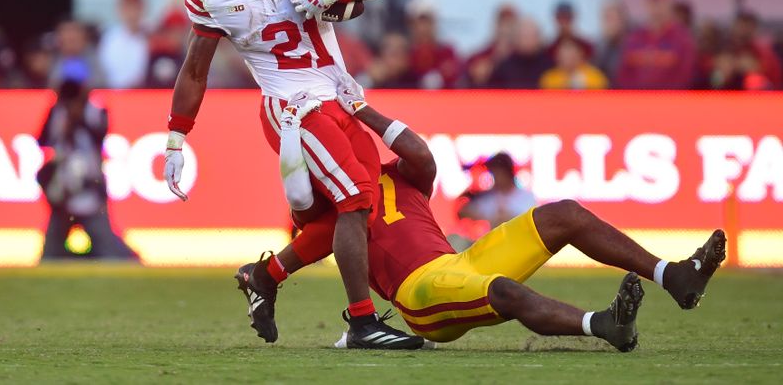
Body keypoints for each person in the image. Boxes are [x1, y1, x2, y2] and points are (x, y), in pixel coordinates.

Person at [266, 76, 726, 350]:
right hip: (422, 294)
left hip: (458, 262)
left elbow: (423, 155)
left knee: (563, 212)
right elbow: (302, 213)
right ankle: (603, 325)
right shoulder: (335, 205)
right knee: (503, 290)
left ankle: (674, 276)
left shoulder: (399, 174)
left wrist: (362, 109)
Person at [163, 0, 420, 349]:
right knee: (356, 198)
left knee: (362, 211)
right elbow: (195, 69)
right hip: (293, 109)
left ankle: (265, 275)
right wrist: (177, 137)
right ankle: (362, 325)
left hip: (341, 99)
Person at [36, 61, 137, 260]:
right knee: (50, 251)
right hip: (64, 188)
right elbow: (42, 140)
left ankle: (127, 259)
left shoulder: (96, 109)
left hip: (89, 184)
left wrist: (78, 117)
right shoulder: (56, 111)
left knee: (105, 243)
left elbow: (99, 136)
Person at [616, 0, 696, 89]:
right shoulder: (634, 38)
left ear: (669, 4)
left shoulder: (682, 39)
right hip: (637, 102)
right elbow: (623, 75)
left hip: (670, 102)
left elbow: (685, 77)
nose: (655, 7)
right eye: (652, 1)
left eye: (660, 1)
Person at [458, 152, 536, 230]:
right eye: (493, 173)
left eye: (498, 173)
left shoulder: (527, 196)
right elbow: (463, 212)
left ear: (507, 172)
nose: (495, 177)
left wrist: (504, 216)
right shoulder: (490, 197)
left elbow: (529, 223)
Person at [98, 0, 151, 89]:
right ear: (119, 10)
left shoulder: (151, 37)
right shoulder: (109, 38)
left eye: (135, 7)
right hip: (113, 94)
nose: (131, 13)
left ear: (142, 9)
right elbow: (103, 72)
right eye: (127, 7)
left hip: (142, 95)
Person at [405, 0, 461, 89]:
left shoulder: (447, 53)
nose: (423, 28)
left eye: (427, 22)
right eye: (418, 23)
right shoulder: (405, 54)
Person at [465, 4, 519, 88]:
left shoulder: (523, 58)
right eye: (502, 23)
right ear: (495, 25)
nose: (506, 29)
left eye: (510, 24)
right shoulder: (479, 58)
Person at [489, 17, 552, 88]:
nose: (529, 40)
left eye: (532, 35)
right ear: (517, 37)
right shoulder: (504, 67)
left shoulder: (549, 66)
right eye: (525, 35)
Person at [539, 37, 609, 90]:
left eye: (572, 54)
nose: (568, 57)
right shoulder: (549, 78)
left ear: (581, 55)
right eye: (564, 53)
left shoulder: (595, 76)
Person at [594, 0, 630, 84]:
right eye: (605, 18)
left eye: (611, 18)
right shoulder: (600, 46)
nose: (607, 23)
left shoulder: (634, 43)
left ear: (622, 19)